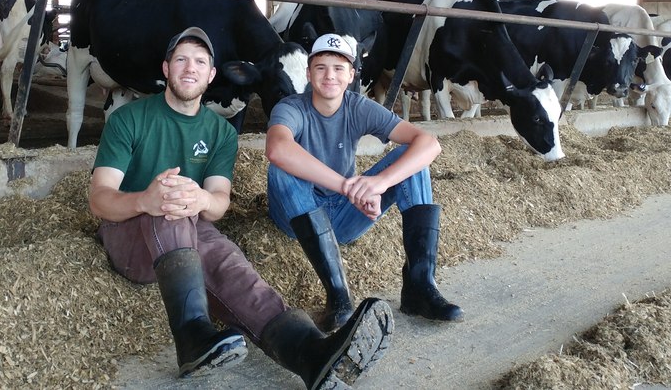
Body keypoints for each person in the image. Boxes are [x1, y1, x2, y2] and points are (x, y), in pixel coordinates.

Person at [88, 26, 392, 389]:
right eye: (181, 60)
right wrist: (144, 199)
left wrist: (201, 199)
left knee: (233, 268)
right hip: (130, 235)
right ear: (166, 68)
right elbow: (99, 200)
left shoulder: (221, 133)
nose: (190, 68)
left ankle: (311, 355)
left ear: (212, 75)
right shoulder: (129, 119)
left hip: (190, 228)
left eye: (200, 62)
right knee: (171, 201)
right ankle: (192, 337)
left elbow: (218, 202)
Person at [264, 33, 463, 332]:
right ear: (308, 73)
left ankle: (419, 285)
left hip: (345, 217)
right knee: (280, 170)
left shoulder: (358, 106)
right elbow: (277, 148)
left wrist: (380, 183)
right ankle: (338, 295)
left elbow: (429, 144)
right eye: (320, 67)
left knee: (412, 163)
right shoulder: (291, 108)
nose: (329, 75)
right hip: (296, 217)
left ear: (352, 75)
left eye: (339, 68)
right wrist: (348, 187)